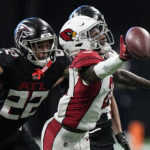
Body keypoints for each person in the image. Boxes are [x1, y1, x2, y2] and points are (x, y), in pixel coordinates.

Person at [41, 15, 132, 150]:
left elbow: (111, 90)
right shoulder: (81, 58)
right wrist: (120, 59)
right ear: (79, 40)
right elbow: (99, 71)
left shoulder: (102, 58)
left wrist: (118, 130)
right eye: (94, 33)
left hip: (84, 135)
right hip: (63, 133)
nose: (102, 36)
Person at [0, 17, 70, 150]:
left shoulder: (58, 65)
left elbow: (82, 70)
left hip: (15, 132)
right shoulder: (11, 61)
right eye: (39, 45)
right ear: (23, 44)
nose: (45, 51)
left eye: (48, 45)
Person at [68, 5, 129, 150]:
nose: (101, 34)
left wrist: (119, 131)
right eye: (94, 30)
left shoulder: (105, 56)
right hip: (77, 127)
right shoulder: (69, 59)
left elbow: (108, 95)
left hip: (102, 127)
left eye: (100, 29)